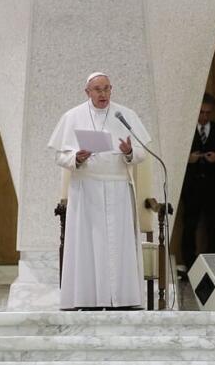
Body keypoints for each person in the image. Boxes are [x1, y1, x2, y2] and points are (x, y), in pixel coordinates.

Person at [48, 72, 150, 309]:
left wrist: (128, 152)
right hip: (86, 190)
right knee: (87, 244)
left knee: (118, 243)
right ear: (87, 92)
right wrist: (77, 157)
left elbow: (143, 152)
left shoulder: (125, 115)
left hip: (118, 189)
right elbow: (59, 156)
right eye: (97, 89)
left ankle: (123, 299)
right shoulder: (73, 116)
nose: (103, 94)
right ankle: (87, 298)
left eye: (106, 89)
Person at [179, 94, 215, 269]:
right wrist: (187, 159)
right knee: (189, 226)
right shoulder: (185, 130)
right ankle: (190, 266)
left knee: (213, 227)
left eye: (207, 113)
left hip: (214, 187)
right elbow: (174, 157)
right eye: (201, 112)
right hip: (191, 187)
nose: (204, 117)